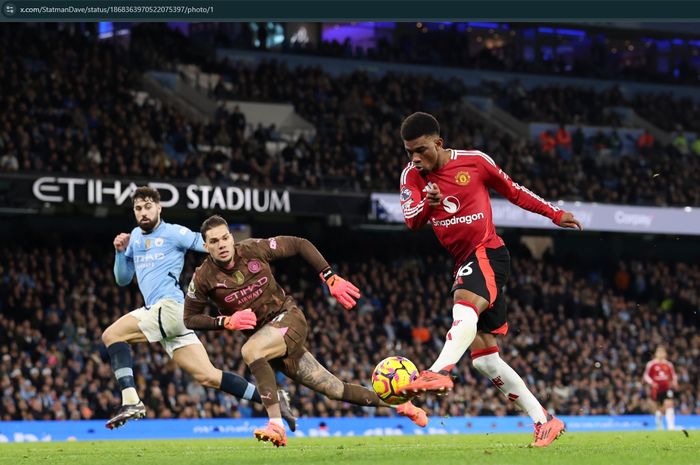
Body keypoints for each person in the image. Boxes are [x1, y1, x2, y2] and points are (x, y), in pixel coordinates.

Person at [396, 112, 582, 448]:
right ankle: (545, 421)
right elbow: (411, 221)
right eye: (410, 152)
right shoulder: (412, 176)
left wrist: (554, 213)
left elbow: (513, 191)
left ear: (439, 143)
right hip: (463, 261)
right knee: (485, 361)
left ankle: (438, 370)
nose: (416, 159)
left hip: (487, 253)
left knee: (463, 308)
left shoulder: (475, 162)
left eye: (421, 150)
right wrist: (427, 203)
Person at [183, 215, 428, 447]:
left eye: (225, 237)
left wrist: (330, 277)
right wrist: (224, 322)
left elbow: (300, 244)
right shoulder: (203, 277)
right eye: (214, 241)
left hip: (288, 318)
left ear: (231, 237)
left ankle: (275, 424)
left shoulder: (253, 249)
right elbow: (189, 319)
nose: (222, 244)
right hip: (270, 343)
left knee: (250, 350)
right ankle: (400, 405)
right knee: (333, 389)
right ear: (206, 246)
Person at [103, 186, 295, 430]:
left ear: (159, 208)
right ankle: (274, 399)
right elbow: (122, 278)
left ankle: (131, 401)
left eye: (148, 207)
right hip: (168, 316)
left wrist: (235, 261)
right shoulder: (135, 237)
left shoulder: (174, 233)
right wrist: (120, 253)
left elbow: (206, 244)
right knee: (208, 376)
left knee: (111, 335)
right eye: (138, 208)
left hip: (168, 307)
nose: (144, 212)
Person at [643, 346, 678, 430]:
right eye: (659, 352)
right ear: (656, 354)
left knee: (669, 404)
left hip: (667, 388)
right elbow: (646, 376)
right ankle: (659, 424)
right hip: (656, 389)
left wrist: (674, 382)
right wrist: (652, 383)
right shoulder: (651, 364)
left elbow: (673, 375)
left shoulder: (668, 364)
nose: (661, 354)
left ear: (665, 354)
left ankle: (671, 426)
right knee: (660, 408)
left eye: (663, 352)